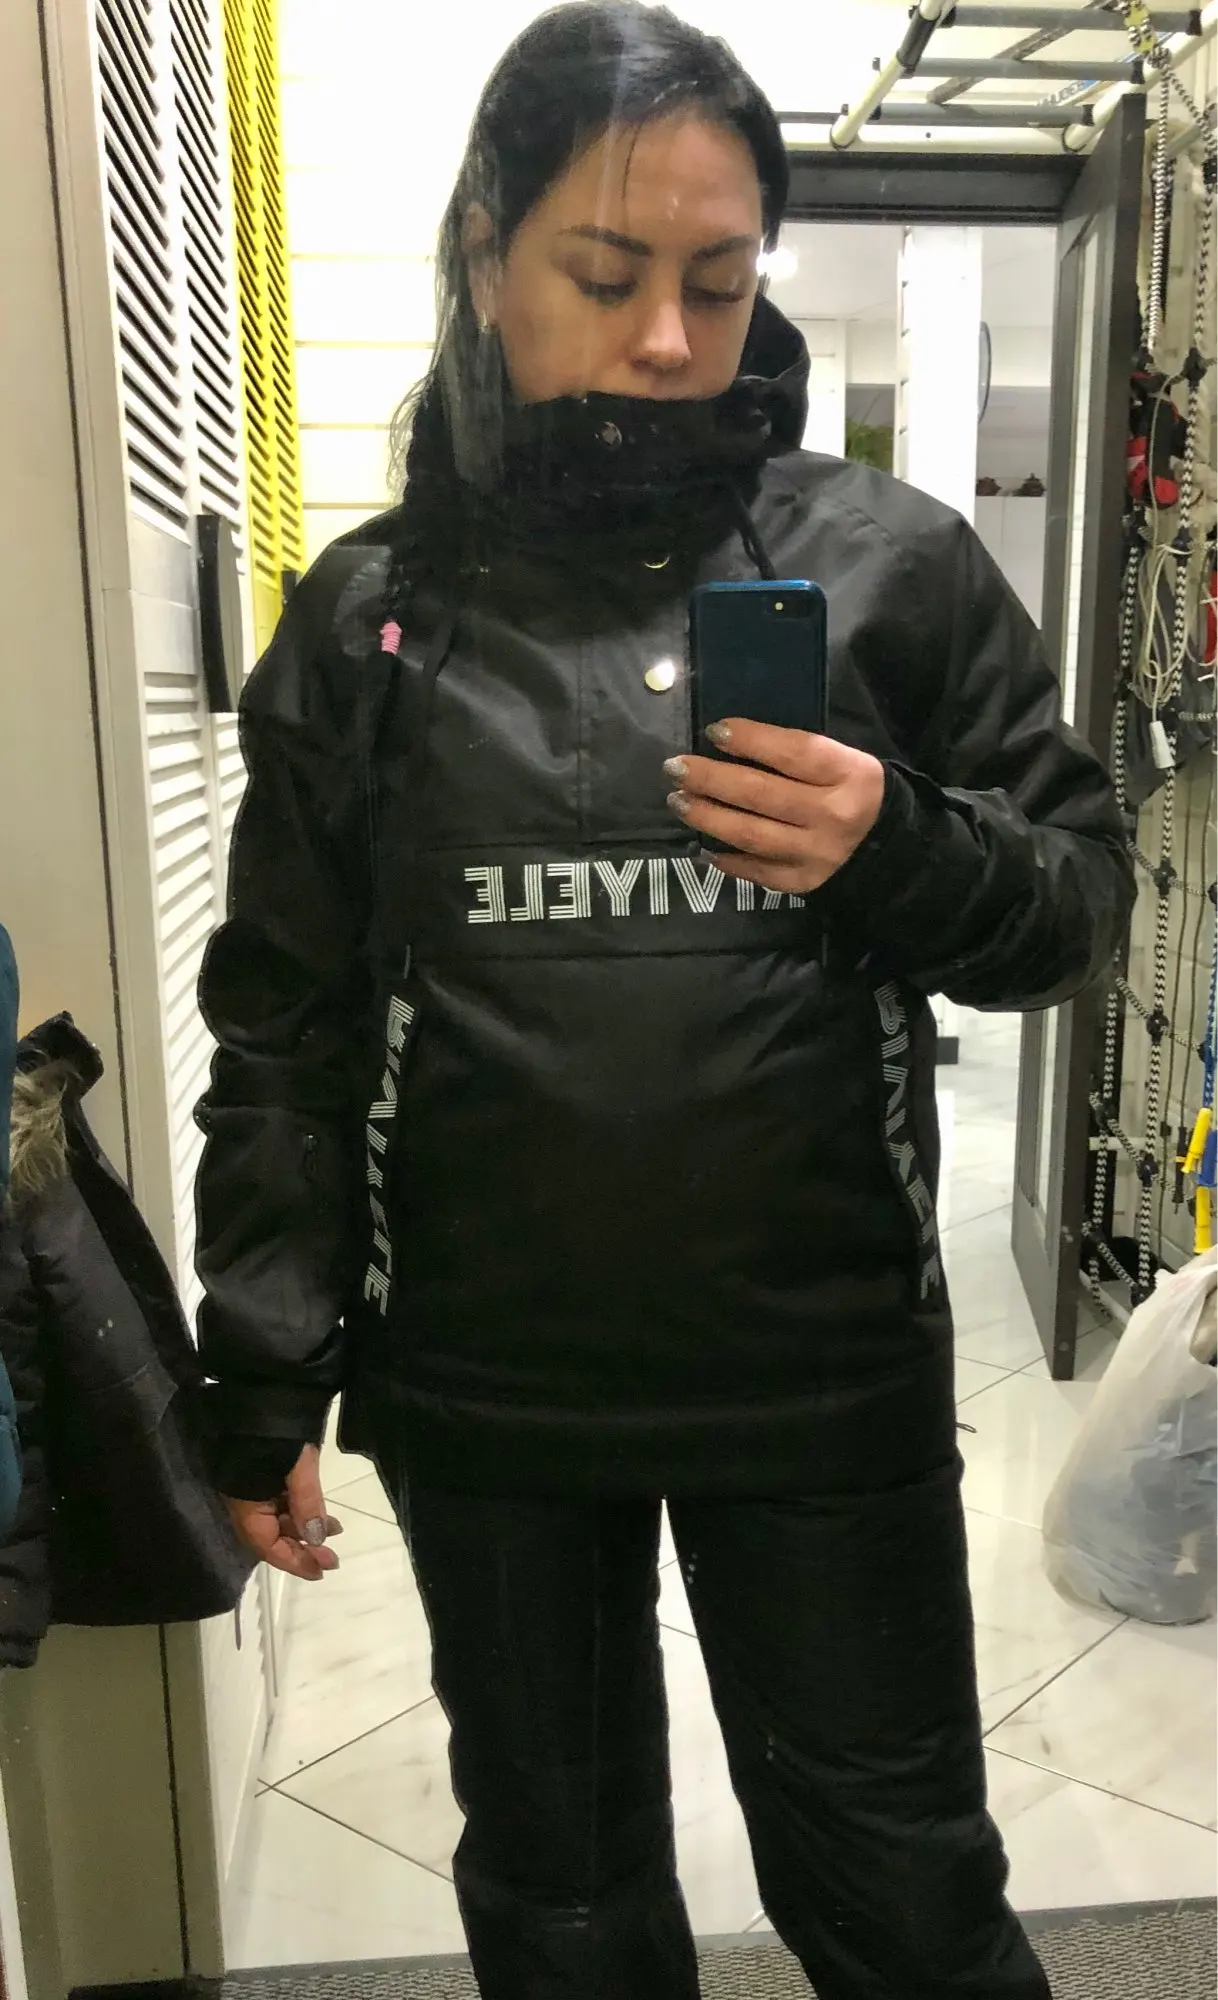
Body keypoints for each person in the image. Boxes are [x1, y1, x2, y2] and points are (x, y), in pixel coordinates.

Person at [194, 5, 1134, 1995]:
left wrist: (893, 845)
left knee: (902, 1899)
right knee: (561, 1903)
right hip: (488, 1394)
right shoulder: (366, 617)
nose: (665, 340)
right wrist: (264, 1371)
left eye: (718, 283)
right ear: (486, 258)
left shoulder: (890, 568)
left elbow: (1072, 913)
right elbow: (286, 1023)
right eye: (606, 273)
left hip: (821, 1374)